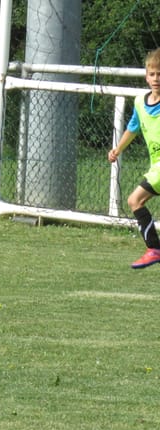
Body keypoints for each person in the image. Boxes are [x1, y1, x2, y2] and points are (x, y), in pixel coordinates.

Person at [109, 48, 160, 269]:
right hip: (156, 166)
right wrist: (117, 149)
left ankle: (154, 249)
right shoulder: (140, 102)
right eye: (153, 74)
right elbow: (133, 128)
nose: (157, 79)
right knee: (135, 202)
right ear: (146, 75)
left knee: (134, 200)